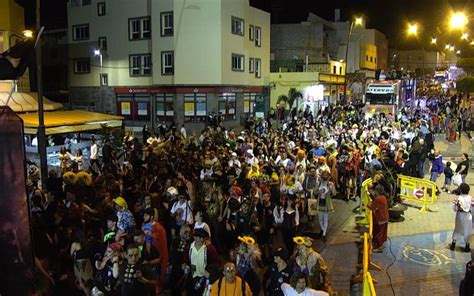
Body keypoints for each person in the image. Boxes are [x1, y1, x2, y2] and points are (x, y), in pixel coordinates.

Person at [450, 183, 472, 252]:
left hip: (460, 216)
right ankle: (467, 246)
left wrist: (457, 209)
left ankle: (453, 244)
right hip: (468, 216)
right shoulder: (471, 198)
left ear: (461, 190)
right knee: (468, 230)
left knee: (457, 229)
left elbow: (454, 208)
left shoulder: (458, 198)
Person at [368, 185, 389, 252]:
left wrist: (368, 204)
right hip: (386, 217)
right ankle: (381, 244)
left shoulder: (378, 199)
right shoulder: (383, 197)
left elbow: (372, 207)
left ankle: (380, 247)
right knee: (383, 232)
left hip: (381, 218)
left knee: (379, 233)